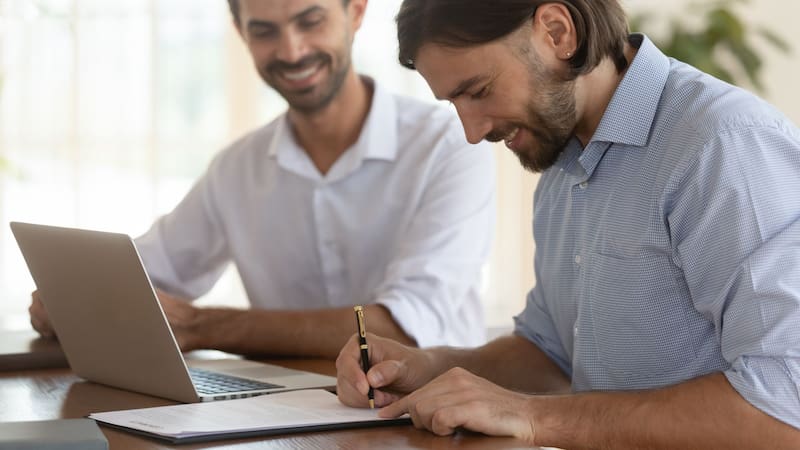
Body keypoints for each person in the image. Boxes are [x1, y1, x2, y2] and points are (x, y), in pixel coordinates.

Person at [336, 0, 800, 447]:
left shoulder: (723, 146)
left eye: (477, 91)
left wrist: (532, 417)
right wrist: (427, 367)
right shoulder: (563, 167)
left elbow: (784, 409)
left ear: (557, 32)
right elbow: (554, 355)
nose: (473, 132)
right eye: (454, 103)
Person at [28, 0, 496, 359]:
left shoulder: (451, 146)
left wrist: (202, 326)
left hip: (433, 420)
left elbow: (401, 327)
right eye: (265, 31)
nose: (291, 50)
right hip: (286, 418)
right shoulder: (237, 168)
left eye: (310, 21)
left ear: (355, 12)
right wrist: (74, 301)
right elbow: (141, 277)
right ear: (241, 34)